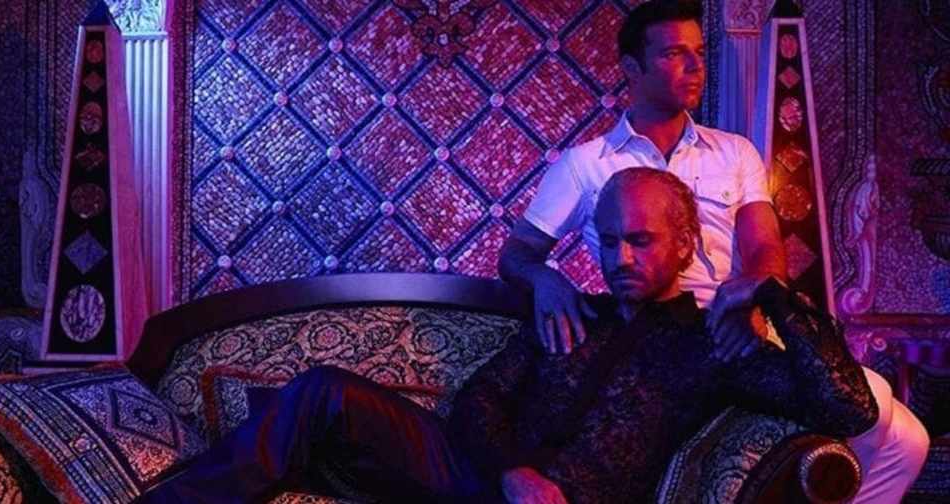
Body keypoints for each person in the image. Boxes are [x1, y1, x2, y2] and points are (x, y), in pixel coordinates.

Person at [137, 169, 877, 504]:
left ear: (684, 245)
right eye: (608, 241)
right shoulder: (571, 314)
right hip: (480, 472)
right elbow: (481, 399)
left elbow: (847, 408)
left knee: (306, 444)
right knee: (319, 393)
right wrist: (513, 470)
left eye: (640, 241)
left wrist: (773, 293)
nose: (619, 258)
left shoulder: (711, 346)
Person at [496, 1, 929, 500]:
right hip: (660, 336)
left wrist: (752, 301)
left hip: (737, 324)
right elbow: (516, 255)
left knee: (910, 441)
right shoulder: (584, 164)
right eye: (674, 54)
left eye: (699, 53)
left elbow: (764, 247)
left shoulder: (735, 151)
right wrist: (546, 278)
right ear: (632, 68)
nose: (694, 66)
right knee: (877, 402)